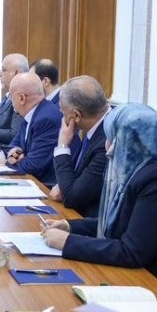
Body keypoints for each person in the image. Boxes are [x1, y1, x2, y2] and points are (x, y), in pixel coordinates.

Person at [42, 103, 157, 292]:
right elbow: (122, 223)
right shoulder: (138, 171)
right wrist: (70, 226)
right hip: (146, 275)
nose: (106, 146)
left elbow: (132, 251)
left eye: (111, 137)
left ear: (128, 141)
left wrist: (68, 242)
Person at [49, 76, 111, 216]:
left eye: (62, 112)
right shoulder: (97, 125)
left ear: (76, 115)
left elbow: (72, 197)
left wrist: (62, 146)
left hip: (90, 219)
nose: (62, 117)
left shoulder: (106, 142)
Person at [2, 71, 63, 185]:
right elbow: (14, 144)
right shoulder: (32, 113)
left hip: (48, 187)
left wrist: (9, 162)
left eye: (11, 96)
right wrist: (13, 153)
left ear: (22, 98)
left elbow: (33, 166)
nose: (10, 100)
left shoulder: (46, 119)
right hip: (33, 181)